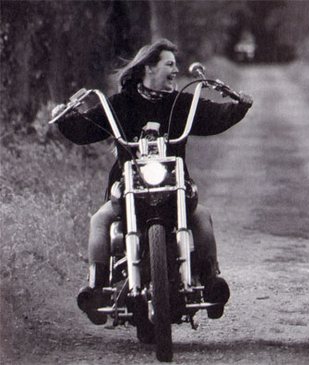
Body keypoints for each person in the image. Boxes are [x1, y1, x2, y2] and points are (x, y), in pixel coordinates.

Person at [51, 38, 253, 324]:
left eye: (175, 65)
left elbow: (211, 117)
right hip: (129, 185)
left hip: (175, 186)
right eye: (169, 64)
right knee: (99, 220)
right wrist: (64, 118)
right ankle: (95, 287)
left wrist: (238, 107)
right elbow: (86, 129)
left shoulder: (179, 103)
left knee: (203, 217)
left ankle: (211, 280)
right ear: (149, 68)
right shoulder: (121, 104)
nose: (175, 70)